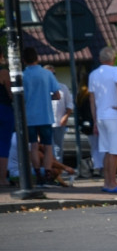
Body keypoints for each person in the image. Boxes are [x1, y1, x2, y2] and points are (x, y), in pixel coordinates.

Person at [88, 47, 117, 193]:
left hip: (100, 116)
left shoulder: (93, 74)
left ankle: (106, 183)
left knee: (106, 150)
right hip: (114, 115)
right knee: (114, 151)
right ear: (114, 58)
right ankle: (113, 183)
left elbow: (92, 99)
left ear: (100, 59)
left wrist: (95, 120)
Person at [21, 48, 61, 184]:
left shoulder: (22, 75)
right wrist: (46, 97)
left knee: (33, 145)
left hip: (29, 116)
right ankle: (48, 174)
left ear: (24, 60)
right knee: (48, 146)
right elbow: (57, 95)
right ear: (37, 58)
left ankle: (37, 174)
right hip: (45, 115)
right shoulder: (47, 74)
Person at [47, 66, 73, 166]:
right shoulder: (42, 88)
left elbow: (70, 104)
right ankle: (50, 170)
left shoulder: (63, 87)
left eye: (53, 74)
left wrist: (66, 116)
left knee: (58, 148)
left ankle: (58, 170)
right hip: (46, 123)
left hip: (59, 122)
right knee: (48, 148)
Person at [0, 63, 12, 184]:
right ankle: (2, 178)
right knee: (3, 144)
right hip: (3, 109)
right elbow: (11, 93)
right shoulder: (3, 72)